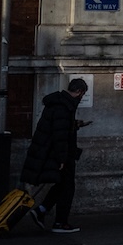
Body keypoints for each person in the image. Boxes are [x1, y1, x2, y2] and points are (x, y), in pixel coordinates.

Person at [21, 77, 91, 233]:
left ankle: (42, 210)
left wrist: (76, 124)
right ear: (79, 92)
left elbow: (60, 127)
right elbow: (60, 136)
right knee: (67, 187)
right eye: (82, 94)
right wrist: (61, 159)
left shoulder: (59, 102)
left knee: (61, 185)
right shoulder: (65, 106)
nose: (81, 98)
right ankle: (60, 222)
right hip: (61, 155)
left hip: (55, 152)